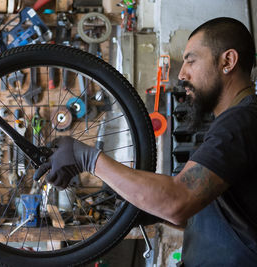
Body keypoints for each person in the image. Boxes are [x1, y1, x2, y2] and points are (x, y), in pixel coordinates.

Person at [34, 17, 257, 266]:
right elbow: (202, 214)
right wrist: (145, 206)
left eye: (191, 61)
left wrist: (88, 158)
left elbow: (178, 201)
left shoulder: (241, 122)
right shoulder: (232, 124)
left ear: (227, 61)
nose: (182, 74)